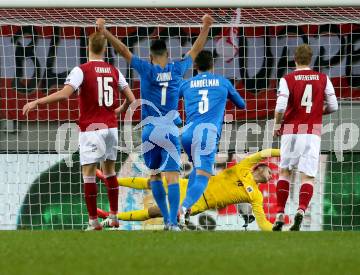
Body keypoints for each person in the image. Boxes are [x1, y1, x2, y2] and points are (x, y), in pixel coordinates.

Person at [96, 15, 214, 231]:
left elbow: (123, 50)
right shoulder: (177, 69)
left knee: (154, 176)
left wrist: (104, 32)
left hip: (149, 130)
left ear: (151, 57)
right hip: (169, 130)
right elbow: (196, 50)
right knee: (172, 178)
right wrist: (205, 27)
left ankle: (168, 220)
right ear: (168, 56)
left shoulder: (146, 69)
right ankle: (172, 222)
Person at [23, 32, 136, 231]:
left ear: (88, 48)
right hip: (110, 128)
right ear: (104, 49)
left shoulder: (81, 70)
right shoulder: (114, 70)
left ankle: (93, 221)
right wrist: (120, 109)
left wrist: (37, 101)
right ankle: (114, 216)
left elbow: (65, 95)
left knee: (89, 175)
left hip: (92, 129)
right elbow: (131, 98)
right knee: (110, 172)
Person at [97, 149, 279, 231]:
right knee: (152, 183)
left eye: (272, 174)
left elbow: (263, 223)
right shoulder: (244, 167)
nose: (272, 175)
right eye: (269, 171)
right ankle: (111, 180)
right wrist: (283, 153)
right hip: (189, 187)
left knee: (153, 212)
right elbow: (265, 153)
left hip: (198, 203)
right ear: (259, 168)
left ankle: (112, 217)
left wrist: (277, 230)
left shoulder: (255, 195)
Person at [272, 44, 338, 231]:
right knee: (307, 177)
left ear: (294, 59)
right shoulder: (323, 79)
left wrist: (277, 125)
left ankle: (279, 213)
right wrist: (318, 111)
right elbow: (334, 105)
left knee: (285, 172)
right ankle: (301, 211)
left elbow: (281, 106)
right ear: (311, 59)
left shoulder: (287, 79)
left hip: (291, 131)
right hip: (311, 133)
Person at [178, 50, 245, 226]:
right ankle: (182, 209)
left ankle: (186, 212)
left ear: (195, 66)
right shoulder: (223, 83)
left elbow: (171, 100)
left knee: (196, 169)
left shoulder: (186, 84)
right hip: (206, 134)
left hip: (187, 134)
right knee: (204, 175)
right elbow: (242, 105)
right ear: (212, 65)